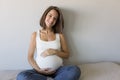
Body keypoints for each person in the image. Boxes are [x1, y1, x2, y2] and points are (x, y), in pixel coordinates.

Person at [17, 6, 81, 80]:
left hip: (58, 71)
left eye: (55, 18)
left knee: (75, 70)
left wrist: (54, 51)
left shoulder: (60, 35)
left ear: (57, 21)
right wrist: (39, 70)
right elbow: (30, 57)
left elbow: (67, 55)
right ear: (45, 15)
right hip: (39, 72)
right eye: (50, 16)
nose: (51, 20)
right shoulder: (35, 34)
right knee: (22, 76)